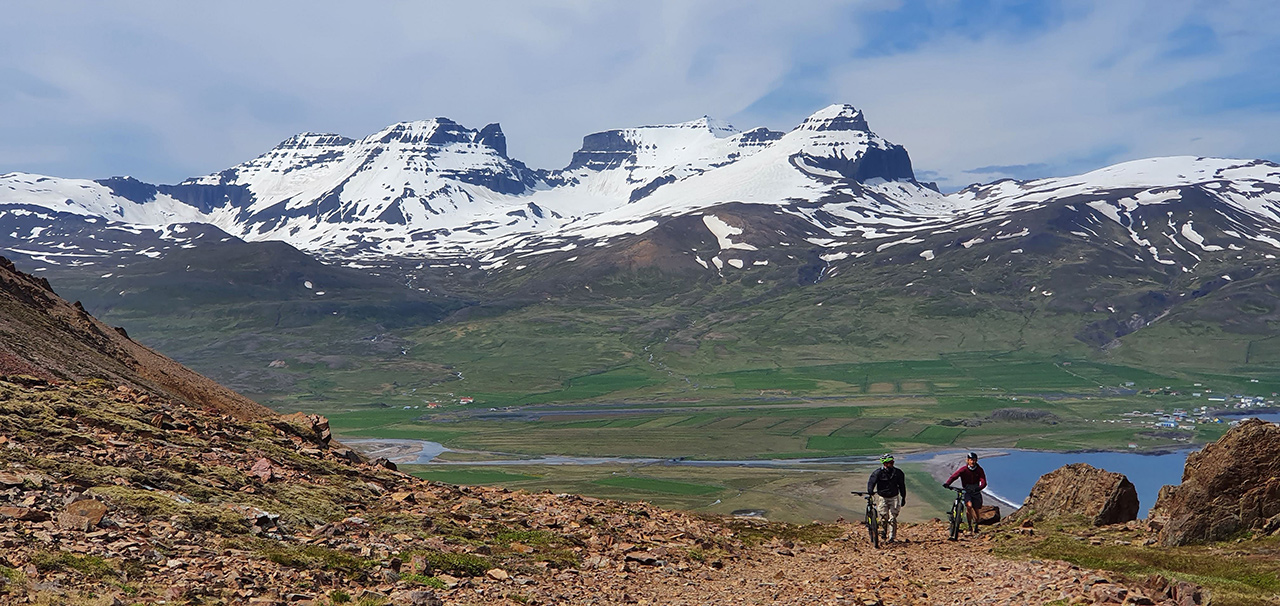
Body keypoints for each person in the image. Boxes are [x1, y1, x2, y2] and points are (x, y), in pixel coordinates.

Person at [943, 452, 987, 534]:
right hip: (967, 491)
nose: (972, 462)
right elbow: (954, 476)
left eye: (974, 460)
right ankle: (970, 525)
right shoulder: (964, 469)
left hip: (976, 491)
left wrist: (979, 488)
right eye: (971, 460)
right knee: (969, 506)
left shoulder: (979, 470)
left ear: (976, 460)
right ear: (967, 460)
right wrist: (947, 483)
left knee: (976, 510)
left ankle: (976, 525)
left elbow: (983, 481)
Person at [867, 453, 906, 542]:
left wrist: (903, 497)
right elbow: (871, 482)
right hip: (883, 497)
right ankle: (884, 531)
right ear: (884, 464)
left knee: (892, 518)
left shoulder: (898, 473)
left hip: (894, 497)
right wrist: (870, 491)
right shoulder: (878, 473)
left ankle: (892, 537)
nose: (891, 464)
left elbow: (902, 486)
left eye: (892, 462)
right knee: (883, 518)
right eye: (890, 463)